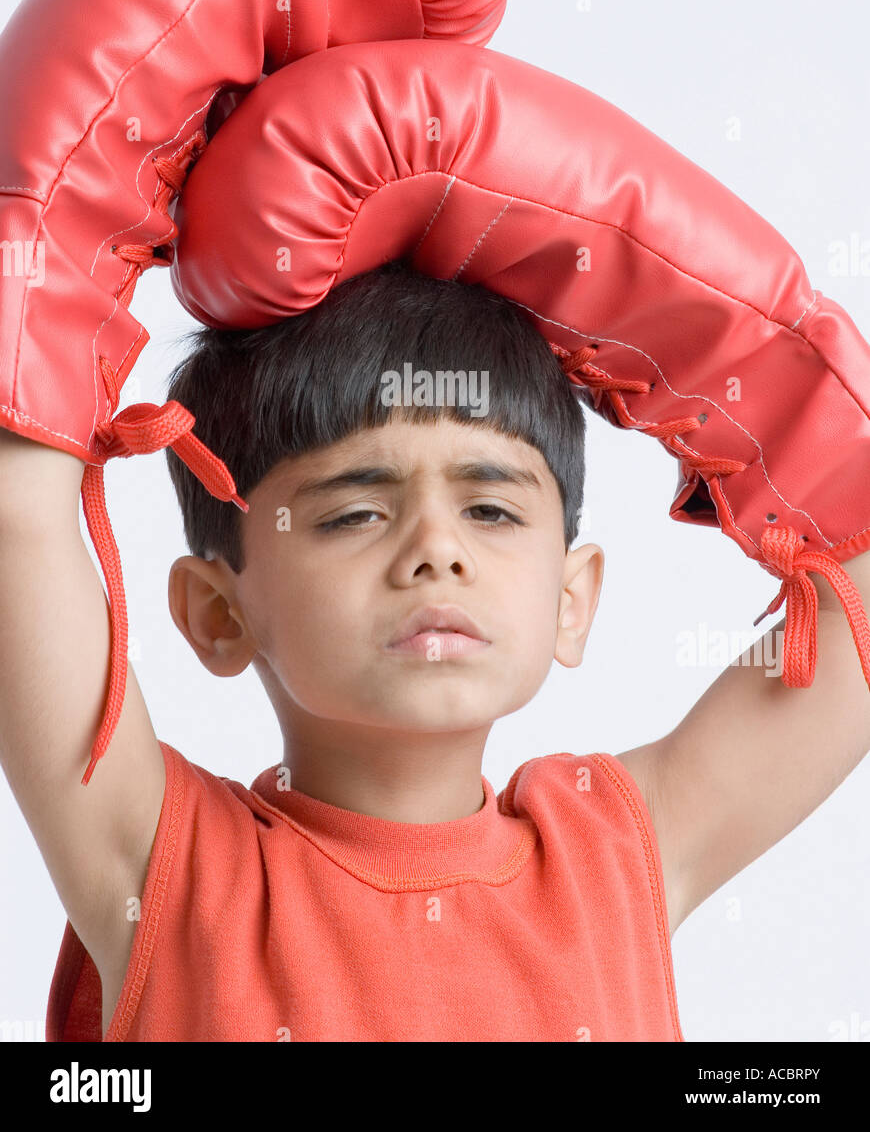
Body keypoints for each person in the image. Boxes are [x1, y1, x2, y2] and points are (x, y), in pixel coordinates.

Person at [3, 260, 869, 1041]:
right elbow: (21, 513)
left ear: (571, 601)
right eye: (355, 513)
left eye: (490, 510)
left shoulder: (615, 853)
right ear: (219, 614)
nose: (435, 549)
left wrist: (636, 262)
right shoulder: (164, 865)